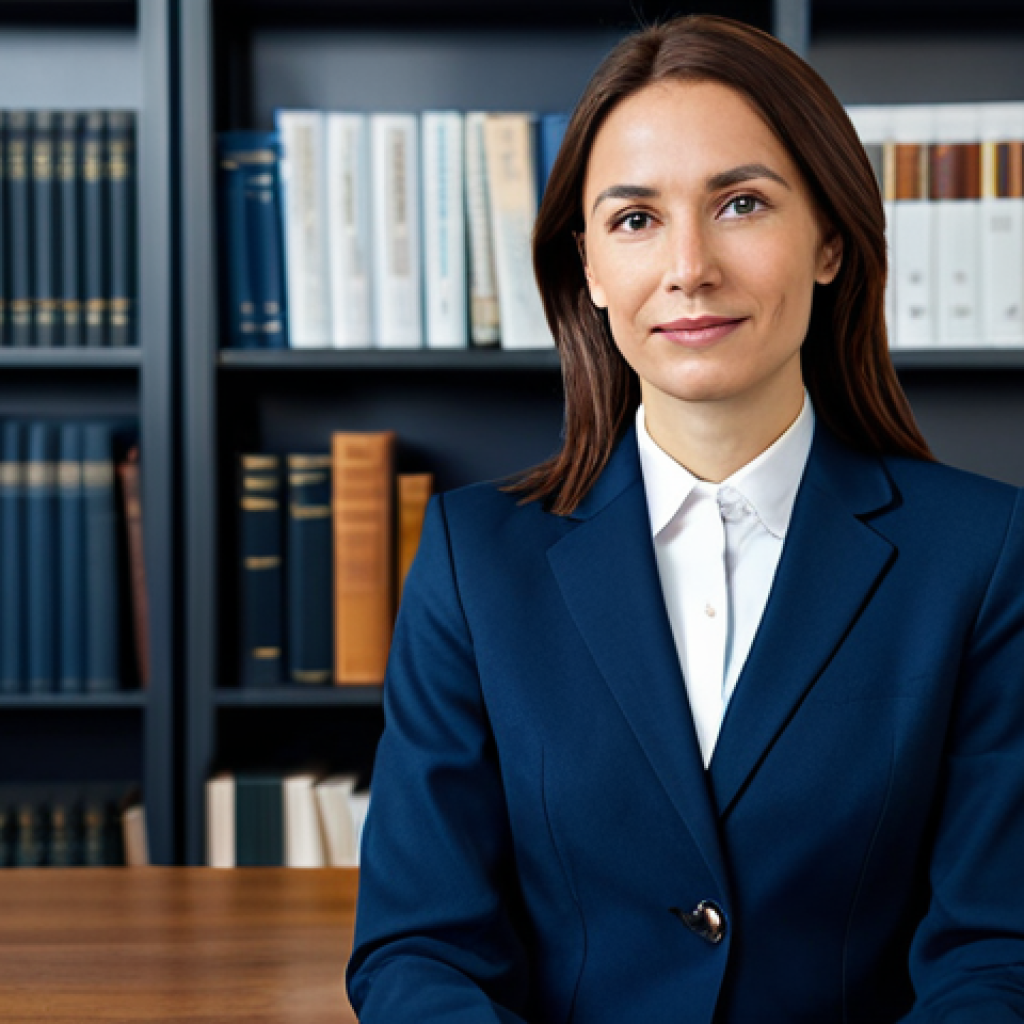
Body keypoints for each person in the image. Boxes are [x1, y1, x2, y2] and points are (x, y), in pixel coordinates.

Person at [346, 14, 1024, 1023]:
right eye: (634, 219)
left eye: (740, 203)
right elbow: (420, 948)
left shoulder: (983, 556)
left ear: (830, 238)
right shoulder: (471, 562)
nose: (688, 267)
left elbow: (995, 953)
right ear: (589, 268)